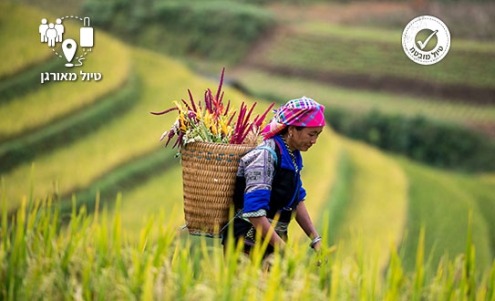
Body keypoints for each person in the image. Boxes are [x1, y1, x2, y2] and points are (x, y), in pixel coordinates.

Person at [223, 96, 325, 258]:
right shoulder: (265, 156)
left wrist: (315, 238)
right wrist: (285, 251)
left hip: (272, 240)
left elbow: (296, 198)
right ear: (291, 130)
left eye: (318, 135)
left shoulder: (293, 156)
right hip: (247, 243)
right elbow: (255, 213)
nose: (314, 141)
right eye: (311, 134)